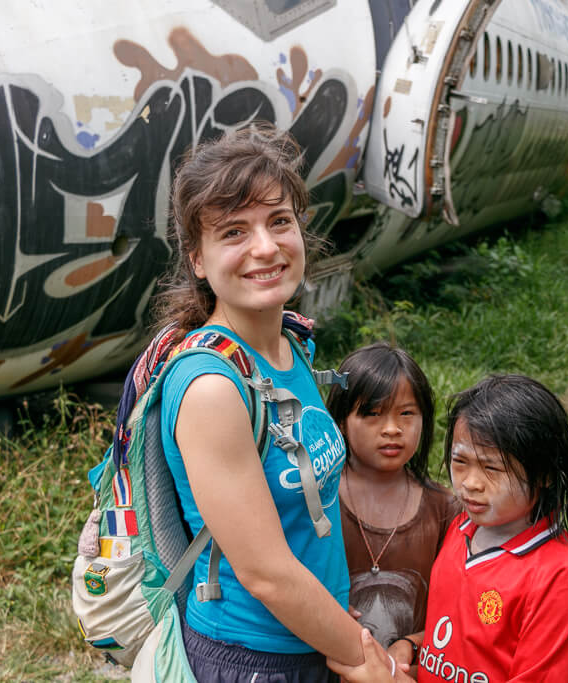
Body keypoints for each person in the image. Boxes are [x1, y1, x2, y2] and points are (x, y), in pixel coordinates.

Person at [156, 122, 377, 681]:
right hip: (257, 658)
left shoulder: (290, 346)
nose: (265, 247)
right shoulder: (213, 388)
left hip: (313, 635)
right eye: (233, 232)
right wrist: (368, 660)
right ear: (198, 260)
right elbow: (265, 574)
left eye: (279, 221)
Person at [329, 374, 568, 682]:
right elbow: (463, 638)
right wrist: (414, 646)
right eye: (460, 462)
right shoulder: (462, 528)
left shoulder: (560, 578)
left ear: (545, 473)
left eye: (492, 468)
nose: (470, 484)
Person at [325, 343, 459, 652]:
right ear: (342, 420)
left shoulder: (444, 509)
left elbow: (456, 609)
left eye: (407, 413)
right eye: (372, 413)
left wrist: (412, 645)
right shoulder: (319, 500)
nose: (392, 429)